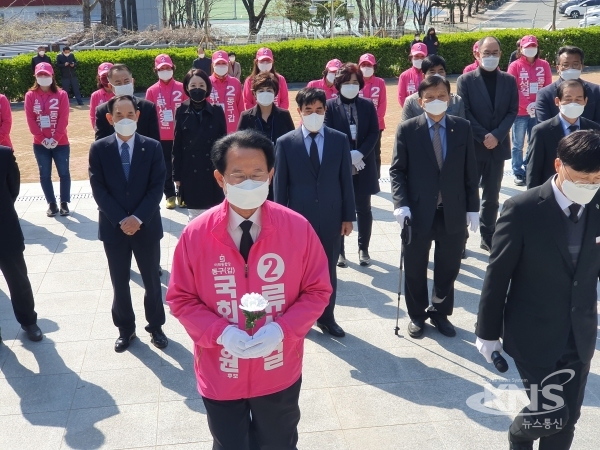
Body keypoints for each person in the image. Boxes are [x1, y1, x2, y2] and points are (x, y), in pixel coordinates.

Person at [166, 130, 331, 450]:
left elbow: (317, 290)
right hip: (221, 371)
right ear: (220, 179)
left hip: (277, 368)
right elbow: (181, 298)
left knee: (279, 442)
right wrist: (221, 333)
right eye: (237, 175)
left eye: (257, 174)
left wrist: (283, 330)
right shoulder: (196, 234)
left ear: (271, 174)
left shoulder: (297, 228)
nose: (248, 183)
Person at [475, 129, 600, 450]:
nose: (589, 185)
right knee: (551, 411)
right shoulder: (522, 209)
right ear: (559, 165)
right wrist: (486, 333)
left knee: (568, 417)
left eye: (597, 178)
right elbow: (497, 274)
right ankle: (519, 435)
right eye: (582, 178)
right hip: (533, 333)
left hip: (580, 333)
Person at [390, 76, 480, 339]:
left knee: (448, 266)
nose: (436, 101)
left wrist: (473, 207)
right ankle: (417, 315)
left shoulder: (461, 127)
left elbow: (470, 171)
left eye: (442, 96)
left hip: (452, 210)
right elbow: (397, 171)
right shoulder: (408, 129)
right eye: (430, 97)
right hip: (417, 212)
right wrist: (401, 204)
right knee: (416, 265)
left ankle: (440, 312)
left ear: (450, 99)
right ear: (420, 102)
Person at [89, 95, 168, 353]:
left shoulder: (152, 147)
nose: (125, 119)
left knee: (152, 282)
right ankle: (126, 329)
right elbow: (99, 190)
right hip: (115, 228)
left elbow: (156, 188)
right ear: (110, 119)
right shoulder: (99, 149)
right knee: (119, 281)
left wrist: (138, 218)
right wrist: (122, 219)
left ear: (138, 116)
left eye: (130, 115)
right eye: (119, 116)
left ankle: (155, 327)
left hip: (146, 226)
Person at [274, 87, 355, 338]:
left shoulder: (339, 139)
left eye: (318, 110)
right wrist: (279, 222)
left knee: (328, 270)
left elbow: (345, 181)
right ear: (299, 112)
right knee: (298, 271)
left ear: (325, 111)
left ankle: (327, 317)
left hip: (331, 217)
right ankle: (300, 319)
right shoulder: (285, 143)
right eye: (308, 110)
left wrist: (347, 216)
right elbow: (280, 187)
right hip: (298, 220)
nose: (314, 114)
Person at [456, 36, 519, 252]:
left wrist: (497, 136)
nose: (490, 56)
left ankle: (487, 234)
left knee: (492, 196)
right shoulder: (465, 80)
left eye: (494, 52)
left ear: (501, 54)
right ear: (477, 54)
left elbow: (512, 111)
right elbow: (465, 112)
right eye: (486, 53)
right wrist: (484, 136)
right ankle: (461, 238)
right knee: (468, 192)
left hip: (497, 147)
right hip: (474, 146)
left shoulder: (509, 80)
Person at [324, 63, 380, 267]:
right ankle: (340, 251)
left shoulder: (366, 105)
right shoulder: (329, 106)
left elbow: (374, 131)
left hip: (363, 165)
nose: (351, 86)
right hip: (340, 166)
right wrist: (347, 155)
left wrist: (360, 153)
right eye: (347, 82)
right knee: (338, 208)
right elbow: (328, 133)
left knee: (363, 208)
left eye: (355, 82)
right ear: (338, 85)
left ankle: (363, 249)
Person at [0, 146, 43, 342]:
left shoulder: (4, 154)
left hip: (5, 230)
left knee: (18, 281)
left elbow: (13, 190)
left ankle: (29, 321)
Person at [173, 69, 227, 221]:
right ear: (187, 88)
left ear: (207, 88)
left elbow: (223, 143)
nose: (198, 89)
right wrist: (176, 175)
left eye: (202, 85)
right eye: (193, 85)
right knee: (195, 217)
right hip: (190, 170)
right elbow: (177, 145)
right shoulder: (181, 110)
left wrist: (225, 170)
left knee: (216, 214)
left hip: (212, 170)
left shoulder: (217, 111)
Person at [526, 79, 600, 189]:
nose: (573, 103)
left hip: (587, 191)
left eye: (578, 99)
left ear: (585, 101)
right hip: (554, 192)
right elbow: (534, 169)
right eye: (568, 99)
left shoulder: (594, 129)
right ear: (557, 101)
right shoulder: (542, 131)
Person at [25, 63, 71, 217]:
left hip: (61, 142)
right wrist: (41, 138)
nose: (43, 78)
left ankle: (64, 203)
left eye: (46, 75)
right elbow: (30, 119)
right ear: (36, 77)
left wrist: (56, 137)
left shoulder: (61, 94)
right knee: (44, 175)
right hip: (40, 144)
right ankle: (51, 204)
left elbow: (64, 118)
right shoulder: (30, 95)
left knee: (64, 173)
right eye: (40, 75)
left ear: (52, 76)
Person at [507, 35, 552, 186]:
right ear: (521, 49)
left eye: (533, 46)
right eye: (527, 47)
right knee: (518, 144)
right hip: (520, 112)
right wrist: (527, 104)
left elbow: (547, 86)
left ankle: (528, 168)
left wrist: (537, 104)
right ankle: (517, 171)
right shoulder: (515, 66)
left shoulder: (544, 65)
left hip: (537, 111)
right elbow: (513, 89)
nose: (530, 49)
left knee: (533, 142)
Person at [145, 54, 188, 210]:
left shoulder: (182, 87)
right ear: (156, 70)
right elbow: (149, 115)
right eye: (161, 69)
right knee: (164, 167)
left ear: (173, 68)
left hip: (181, 134)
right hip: (161, 136)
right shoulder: (152, 91)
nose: (165, 71)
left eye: (167, 68)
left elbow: (188, 110)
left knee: (182, 165)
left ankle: (183, 195)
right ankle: (169, 195)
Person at [95, 64, 161, 142]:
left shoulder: (148, 107)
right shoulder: (102, 111)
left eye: (126, 81)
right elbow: (100, 144)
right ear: (110, 86)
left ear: (132, 81)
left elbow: (154, 141)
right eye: (118, 83)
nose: (123, 85)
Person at [536, 46, 600, 123]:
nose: (570, 68)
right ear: (557, 68)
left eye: (575, 64)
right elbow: (543, 126)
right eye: (565, 65)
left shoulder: (596, 91)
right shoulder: (545, 94)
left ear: (582, 67)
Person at [237, 73, 295, 147]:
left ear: (275, 93)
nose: (265, 94)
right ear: (254, 93)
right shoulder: (245, 116)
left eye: (269, 90)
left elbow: (292, 141)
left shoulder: (284, 115)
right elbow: (239, 144)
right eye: (261, 91)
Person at [402, 55, 465, 121]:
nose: (437, 75)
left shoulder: (457, 101)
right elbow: (405, 129)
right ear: (423, 76)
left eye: (441, 71)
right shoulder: (411, 102)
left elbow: (462, 127)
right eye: (432, 72)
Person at [358, 53, 387, 178]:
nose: (366, 67)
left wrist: (375, 121)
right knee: (360, 151)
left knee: (375, 152)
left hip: (377, 125)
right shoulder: (356, 82)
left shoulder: (380, 82)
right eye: (363, 64)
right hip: (358, 124)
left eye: (369, 65)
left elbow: (382, 103)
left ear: (374, 66)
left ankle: (376, 177)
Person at [208, 50, 245, 134]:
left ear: (228, 64)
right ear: (213, 65)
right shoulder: (206, 82)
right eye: (218, 63)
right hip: (211, 130)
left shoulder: (235, 82)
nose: (221, 66)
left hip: (233, 130)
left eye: (223, 63)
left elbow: (241, 108)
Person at [397, 42, 427, 107]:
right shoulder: (404, 76)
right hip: (410, 113)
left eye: (422, 56)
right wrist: (408, 110)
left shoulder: (430, 74)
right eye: (416, 56)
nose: (419, 59)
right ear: (411, 57)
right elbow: (401, 97)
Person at [89, 62, 115, 129]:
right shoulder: (95, 95)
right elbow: (93, 116)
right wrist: (97, 130)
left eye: (109, 76)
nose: (107, 79)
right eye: (104, 76)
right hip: (102, 130)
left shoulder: (120, 93)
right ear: (99, 78)